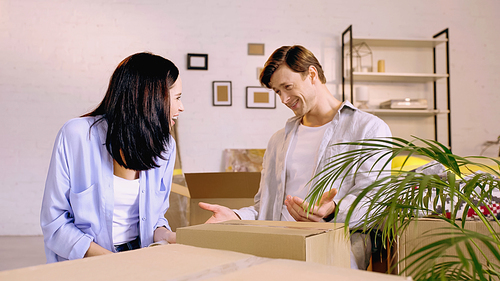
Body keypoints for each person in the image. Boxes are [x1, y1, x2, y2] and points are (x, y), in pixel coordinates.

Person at [199, 45, 391, 269]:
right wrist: (236, 216)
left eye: (287, 87)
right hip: (274, 249)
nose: (283, 99)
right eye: (277, 91)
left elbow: (376, 201)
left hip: (330, 250)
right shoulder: (278, 140)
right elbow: (266, 207)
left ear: (312, 74)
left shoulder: (368, 128)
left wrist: (332, 211)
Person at [40, 52, 184, 263]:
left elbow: (155, 220)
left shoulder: (165, 146)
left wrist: (171, 236)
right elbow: (55, 223)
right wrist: (114, 263)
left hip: (140, 256)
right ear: (150, 97)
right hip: (88, 261)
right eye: (177, 98)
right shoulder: (77, 135)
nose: (181, 107)